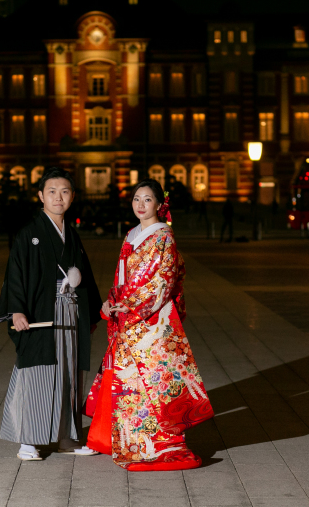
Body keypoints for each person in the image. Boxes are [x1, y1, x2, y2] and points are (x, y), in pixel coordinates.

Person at [86, 179, 213, 471]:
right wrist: (111, 301)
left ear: (159, 204)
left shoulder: (164, 236)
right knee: (127, 384)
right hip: (127, 317)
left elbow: (163, 280)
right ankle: (124, 440)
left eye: (147, 200)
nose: (140, 205)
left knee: (151, 386)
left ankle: (158, 445)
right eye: (136, 199)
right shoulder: (132, 234)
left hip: (150, 322)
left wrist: (131, 306)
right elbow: (122, 279)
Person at [0, 167, 103, 461]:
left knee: (70, 374)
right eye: (52, 192)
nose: (58, 197)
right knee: (37, 374)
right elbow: (15, 273)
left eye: (65, 192)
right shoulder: (29, 233)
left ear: (72, 196)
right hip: (40, 313)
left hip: (70, 313)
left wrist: (93, 312)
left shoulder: (73, 235)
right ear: (41, 195)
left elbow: (87, 277)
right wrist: (16, 309)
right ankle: (28, 441)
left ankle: (67, 438)